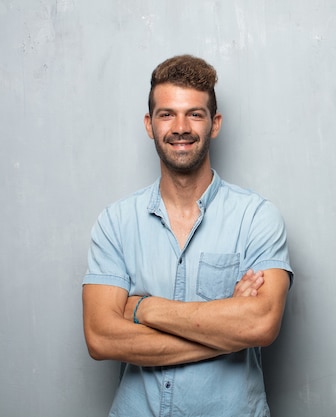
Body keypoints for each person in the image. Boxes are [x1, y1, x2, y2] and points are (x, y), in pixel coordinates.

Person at [82, 54, 293, 417]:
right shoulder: (115, 222)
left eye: (194, 114)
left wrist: (144, 308)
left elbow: (260, 323)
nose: (181, 127)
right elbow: (101, 337)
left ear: (215, 124)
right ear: (149, 124)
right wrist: (227, 333)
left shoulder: (257, 217)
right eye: (167, 114)